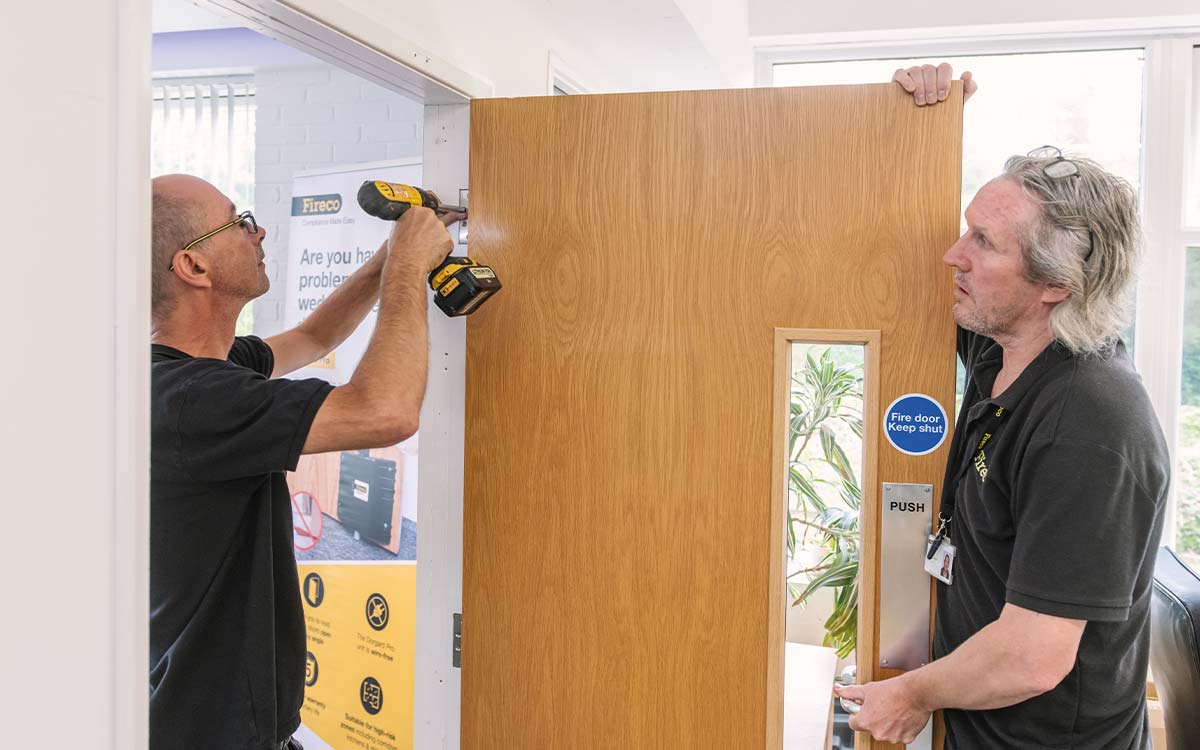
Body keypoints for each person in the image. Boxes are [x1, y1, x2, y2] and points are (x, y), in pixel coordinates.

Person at [833, 66, 1169, 749]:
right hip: (978, 727)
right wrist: (911, 126)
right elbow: (872, 242)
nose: (953, 253)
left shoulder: (1090, 422)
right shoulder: (1004, 346)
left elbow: (1033, 654)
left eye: (984, 243)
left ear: (1055, 282)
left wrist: (912, 694)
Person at [149, 174, 460, 750]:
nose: (257, 229)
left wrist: (388, 257)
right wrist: (407, 272)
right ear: (193, 266)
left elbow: (315, 336)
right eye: (238, 221)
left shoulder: (198, 371)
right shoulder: (191, 399)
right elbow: (384, 411)